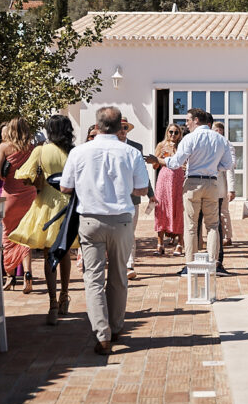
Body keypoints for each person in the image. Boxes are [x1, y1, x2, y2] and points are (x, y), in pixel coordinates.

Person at [61, 106, 148, 355]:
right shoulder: (130, 152)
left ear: (97, 126)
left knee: (93, 278)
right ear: (120, 126)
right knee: (119, 275)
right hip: (120, 219)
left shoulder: (79, 152)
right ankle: (116, 326)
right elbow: (142, 189)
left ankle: (102, 334)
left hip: (90, 219)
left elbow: (66, 187)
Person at [146, 108, 233, 276]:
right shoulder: (221, 139)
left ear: (196, 121)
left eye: (188, 120)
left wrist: (157, 160)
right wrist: (213, 167)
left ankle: (191, 265)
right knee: (213, 225)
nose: (186, 124)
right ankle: (214, 264)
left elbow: (176, 162)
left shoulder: (190, 138)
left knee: (191, 226)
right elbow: (228, 164)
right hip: (212, 183)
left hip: (193, 182)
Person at [12, 115, 77, 324]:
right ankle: (64, 296)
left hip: (47, 201)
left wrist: (38, 178)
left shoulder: (40, 150)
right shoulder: (74, 151)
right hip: (69, 201)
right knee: (65, 251)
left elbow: (23, 176)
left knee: (50, 253)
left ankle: (52, 305)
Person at [0, 117, 36, 293]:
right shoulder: (33, 148)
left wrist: (7, 177)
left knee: (7, 235)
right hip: (29, 195)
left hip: (11, 195)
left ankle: (10, 277)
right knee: (25, 236)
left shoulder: (4, 147)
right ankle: (27, 274)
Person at [118, 116, 150, 280]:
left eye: (125, 128)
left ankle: (129, 264)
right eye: (120, 127)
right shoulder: (109, 147)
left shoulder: (136, 147)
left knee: (130, 232)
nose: (122, 131)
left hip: (132, 198)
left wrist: (151, 195)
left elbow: (142, 173)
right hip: (112, 198)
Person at [153, 124, 186, 256]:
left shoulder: (183, 146)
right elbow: (154, 165)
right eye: (170, 132)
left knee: (179, 210)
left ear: (179, 134)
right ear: (167, 132)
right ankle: (160, 243)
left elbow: (186, 163)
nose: (173, 135)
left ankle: (180, 244)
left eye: (176, 132)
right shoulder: (161, 145)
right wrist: (159, 157)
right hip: (164, 180)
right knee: (161, 209)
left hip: (178, 180)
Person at [210, 121, 236, 275]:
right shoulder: (211, 143)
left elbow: (231, 167)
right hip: (211, 185)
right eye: (215, 130)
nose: (216, 132)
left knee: (223, 212)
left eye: (219, 130)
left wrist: (231, 189)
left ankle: (228, 236)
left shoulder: (227, 144)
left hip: (222, 184)